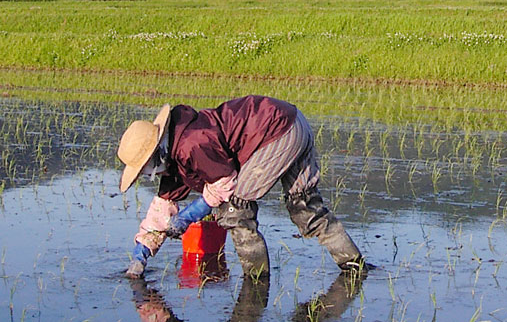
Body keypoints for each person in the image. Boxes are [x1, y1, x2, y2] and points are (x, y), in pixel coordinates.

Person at [117, 96, 364, 278]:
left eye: (146, 168)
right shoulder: (175, 152)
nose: (149, 174)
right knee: (305, 205)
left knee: (235, 209)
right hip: (294, 121)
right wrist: (141, 256)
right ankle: (354, 264)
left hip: (278, 131)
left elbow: (225, 184)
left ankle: (256, 281)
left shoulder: (191, 144)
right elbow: (161, 209)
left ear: (156, 152)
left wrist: (188, 216)